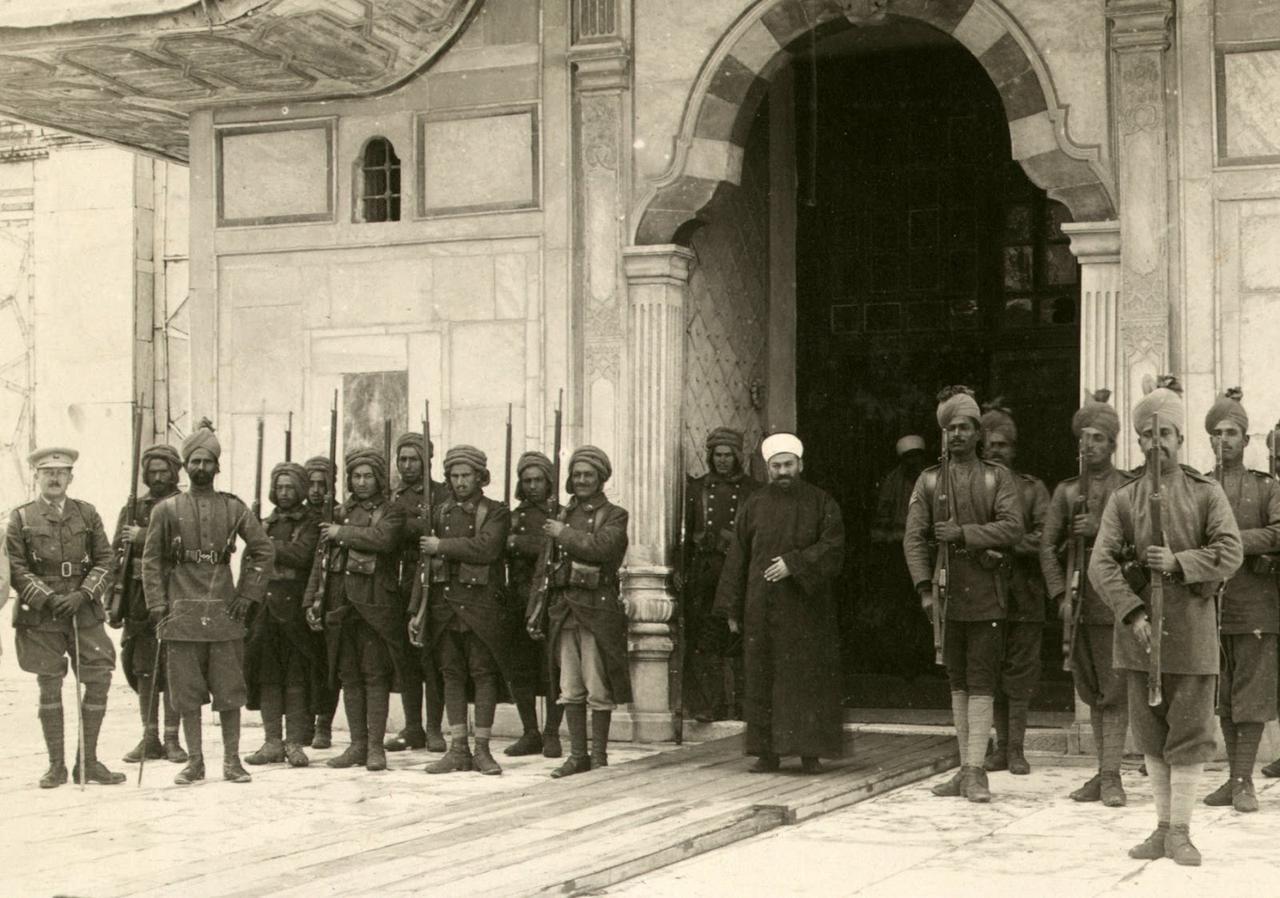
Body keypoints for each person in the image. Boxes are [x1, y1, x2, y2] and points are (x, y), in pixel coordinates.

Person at [1089, 375, 1242, 866]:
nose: (1157, 445)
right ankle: (1160, 829)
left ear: (1180, 438)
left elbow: (1231, 551)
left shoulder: (1206, 493)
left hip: (1193, 630)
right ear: (1138, 441)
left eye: (1165, 435)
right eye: (1148, 437)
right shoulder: (1123, 499)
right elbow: (1100, 564)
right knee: (1151, 734)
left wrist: (1179, 562)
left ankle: (1181, 831)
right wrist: (1131, 612)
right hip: (1140, 637)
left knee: (1191, 734)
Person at [904, 386, 1023, 803]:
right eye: (949, 428)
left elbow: (1013, 528)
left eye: (964, 427)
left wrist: (964, 534)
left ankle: (976, 772)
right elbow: (914, 538)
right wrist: (923, 589)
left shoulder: (997, 477)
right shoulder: (929, 480)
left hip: (987, 593)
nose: (956, 435)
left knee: (982, 682)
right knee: (957, 682)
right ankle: (964, 767)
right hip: (945, 595)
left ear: (977, 433)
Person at [141, 421, 275, 785]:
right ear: (185, 467)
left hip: (224, 610)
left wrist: (248, 593)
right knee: (185, 693)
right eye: (195, 462)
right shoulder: (166, 510)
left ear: (218, 467)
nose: (201, 468)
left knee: (229, 690)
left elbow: (262, 549)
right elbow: (151, 560)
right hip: (180, 611)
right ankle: (195, 761)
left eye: (207, 462)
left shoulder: (234, 508)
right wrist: (156, 603)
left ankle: (232, 761)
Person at [714, 433, 845, 774]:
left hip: (807, 608)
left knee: (806, 678)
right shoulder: (753, 505)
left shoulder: (822, 502)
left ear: (800, 465)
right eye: (776, 466)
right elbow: (737, 557)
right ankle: (766, 753)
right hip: (761, 607)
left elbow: (834, 547)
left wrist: (794, 563)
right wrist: (732, 607)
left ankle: (809, 753)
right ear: (768, 468)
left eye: (788, 465)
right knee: (761, 677)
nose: (783, 471)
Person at [1040, 389, 1134, 807]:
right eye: (1084, 437)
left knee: (1114, 692)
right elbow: (1047, 546)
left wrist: (1099, 527)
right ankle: (1102, 772)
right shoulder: (1064, 492)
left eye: (1098, 438)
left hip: (1115, 604)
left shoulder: (1128, 489)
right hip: (1078, 605)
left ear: (1113, 444)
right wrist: (1059, 592)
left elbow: (1139, 541)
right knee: (1092, 690)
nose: (1089, 445)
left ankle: (1112, 776)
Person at [7, 446, 121, 788]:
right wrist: (47, 597)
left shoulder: (87, 514)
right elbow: (14, 566)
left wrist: (83, 594)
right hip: (41, 616)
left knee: (99, 675)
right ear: (37, 476)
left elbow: (105, 558)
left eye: (61, 473)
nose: (55, 478)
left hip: (82, 608)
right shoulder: (22, 518)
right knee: (50, 683)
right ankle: (56, 766)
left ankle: (88, 762)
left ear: (71, 477)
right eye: (47, 473)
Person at [409, 445, 512, 775]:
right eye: (454, 475)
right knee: (450, 675)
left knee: (483, 674)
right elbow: (423, 567)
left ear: (480, 477)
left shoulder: (495, 512)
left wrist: (442, 546)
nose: (460, 481)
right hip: (444, 607)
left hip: (481, 608)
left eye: (466, 475)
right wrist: (417, 610)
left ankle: (482, 750)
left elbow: (487, 548)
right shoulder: (438, 512)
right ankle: (457, 749)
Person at [1201, 388, 1280, 813]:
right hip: (1210, 607)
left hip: (1256, 606)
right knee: (1225, 696)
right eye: (1216, 433)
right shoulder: (1200, 487)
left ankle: (1245, 780)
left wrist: (1233, 543)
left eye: (1232, 432)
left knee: (1251, 696)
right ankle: (1233, 779)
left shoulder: (1265, 488)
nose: (1224, 440)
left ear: (1246, 440)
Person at [305, 447, 407, 772]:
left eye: (368, 476)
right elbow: (320, 561)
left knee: (374, 676)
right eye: (356, 476)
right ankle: (357, 745)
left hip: (375, 605)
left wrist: (342, 533)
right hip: (340, 604)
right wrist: (312, 600)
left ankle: (376, 747)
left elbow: (383, 540)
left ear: (378, 479)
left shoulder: (391, 512)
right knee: (348, 676)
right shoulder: (336, 512)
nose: (362, 482)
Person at [538, 446, 631, 778]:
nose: (581, 481)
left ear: (601, 478)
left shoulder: (615, 515)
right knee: (570, 685)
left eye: (588, 475)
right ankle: (578, 755)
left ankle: (599, 755)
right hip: (565, 609)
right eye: (576, 475)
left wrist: (563, 534)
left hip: (596, 609)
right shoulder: (561, 514)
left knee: (597, 686)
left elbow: (603, 548)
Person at [979, 402, 1050, 776]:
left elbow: (1047, 538)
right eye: (990, 444)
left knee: (1020, 673)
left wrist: (1007, 543)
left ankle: (1018, 749)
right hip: (984, 593)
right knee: (989, 671)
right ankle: (1000, 747)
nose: (996, 451)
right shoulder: (972, 488)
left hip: (1024, 592)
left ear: (1014, 448)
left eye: (1003, 445)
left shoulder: (1032, 489)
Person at [111, 443, 188, 765]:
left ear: (175, 472)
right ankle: (150, 736)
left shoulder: (183, 505)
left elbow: (186, 546)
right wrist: (113, 598)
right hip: (138, 598)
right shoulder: (132, 508)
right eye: (152, 471)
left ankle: (172, 738)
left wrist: (144, 536)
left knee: (173, 667)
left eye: (164, 471)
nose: (158, 477)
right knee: (143, 668)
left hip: (174, 594)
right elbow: (116, 553)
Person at [243, 462, 321, 768]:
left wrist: (265, 545)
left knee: (296, 678)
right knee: (268, 679)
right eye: (280, 487)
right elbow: (250, 563)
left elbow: (302, 554)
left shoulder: (311, 522)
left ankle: (294, 743)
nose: (284, 493)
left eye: (290, 487)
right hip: (266, 609)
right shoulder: (263, 523)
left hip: (295, 610)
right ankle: (272, 742)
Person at [680, 427, 760, 722]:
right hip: (705, 574)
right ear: (710, 457)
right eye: (718, 455)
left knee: (740, 638)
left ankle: (742, 704)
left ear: (737, 457)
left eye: (729, 455)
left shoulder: (753, 490)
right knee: (707, 640)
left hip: (739, 573)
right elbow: (685, 536)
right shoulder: (698, 489)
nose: (723, 461)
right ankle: (712, 705)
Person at [385, 433, 450, 754]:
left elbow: (437, 527)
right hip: (395, 580)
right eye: (402, 459)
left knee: (430, 656)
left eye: (414, 459)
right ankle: (413, 727)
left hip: (427, 579)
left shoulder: (441, 493)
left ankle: (435, 728)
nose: (407, 465)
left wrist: (397, 524)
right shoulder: (389, 494)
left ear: (427, 461)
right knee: (403, 657)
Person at [504, 450, 561, 756]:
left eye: (539, 480)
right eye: (527, 480)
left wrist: (517, 543)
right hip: (517, 597)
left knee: (552, 669)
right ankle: (530, 732)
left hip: (549, 600)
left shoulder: (561, 514)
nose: (533, 486)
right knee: (520, 669)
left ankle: (552, 732)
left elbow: (554, 547)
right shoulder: (511, 516)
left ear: (549, 481)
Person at [867, 435, 931, 680]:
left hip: (928, 554)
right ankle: (902, 662)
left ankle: (927, 659)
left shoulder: (932, 479)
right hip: (896, 556)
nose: (913, 462)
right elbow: (882, 520)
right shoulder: (891, 482)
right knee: (900, 610)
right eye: (908, 457)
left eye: (917, 456)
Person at [302, 454, 339, 749]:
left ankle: (323, 724)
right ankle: (302, 723)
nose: (316, 490)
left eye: (322, 484)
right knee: (303, 664)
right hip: (296, 595)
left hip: (327, 593)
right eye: (311, 483)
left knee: (328, 665)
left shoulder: (339, 515)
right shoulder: (298, 516)